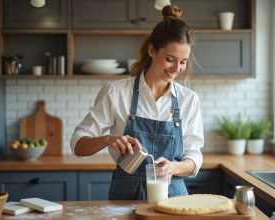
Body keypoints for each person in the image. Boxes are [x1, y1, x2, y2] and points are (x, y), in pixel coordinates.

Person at [70, 5, 204, 200]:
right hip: (126, 196)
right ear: (151, 50)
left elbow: (195, 157)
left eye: (183, 61)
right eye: (170, 59)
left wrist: (173, 167)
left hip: (174, 197)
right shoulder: (116, 92)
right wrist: (108, 139)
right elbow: (78, 145)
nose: (177, 68)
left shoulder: (189, 100)